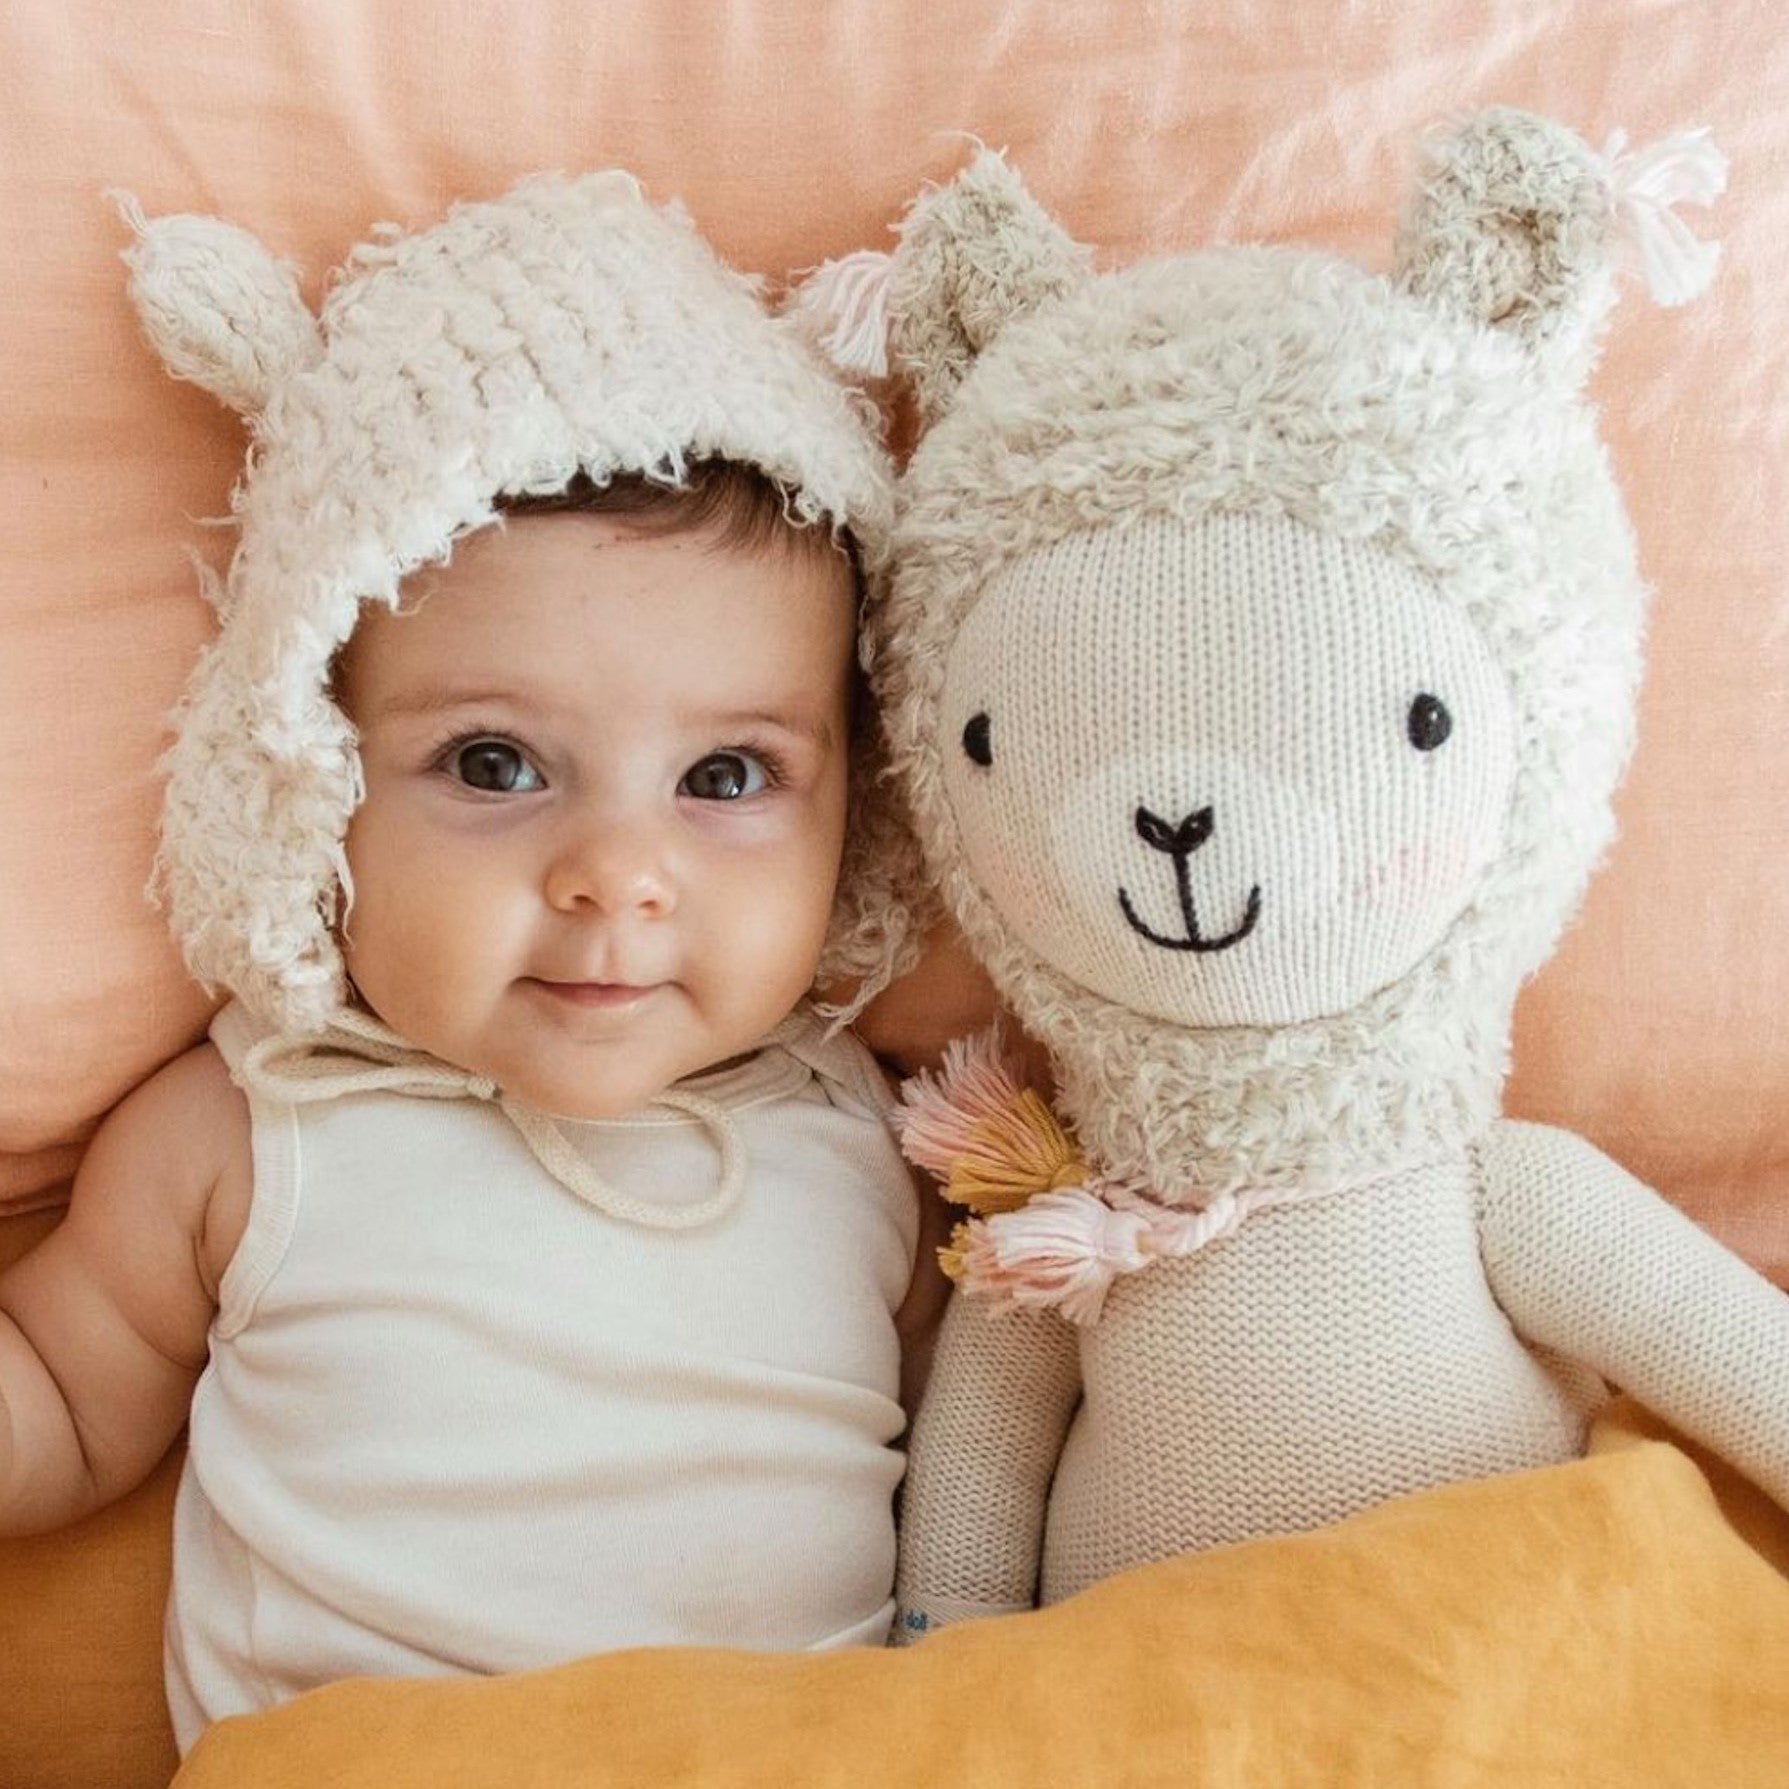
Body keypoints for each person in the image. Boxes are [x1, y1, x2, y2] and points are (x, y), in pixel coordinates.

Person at [0, 169, 936, 1753]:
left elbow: (978, 1491)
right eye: (495, 765)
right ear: (313, 767)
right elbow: (62, 1401)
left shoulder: (871, 1147)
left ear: (860, 812)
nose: (614, 879)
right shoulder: (256, 1124)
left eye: (724, 779)